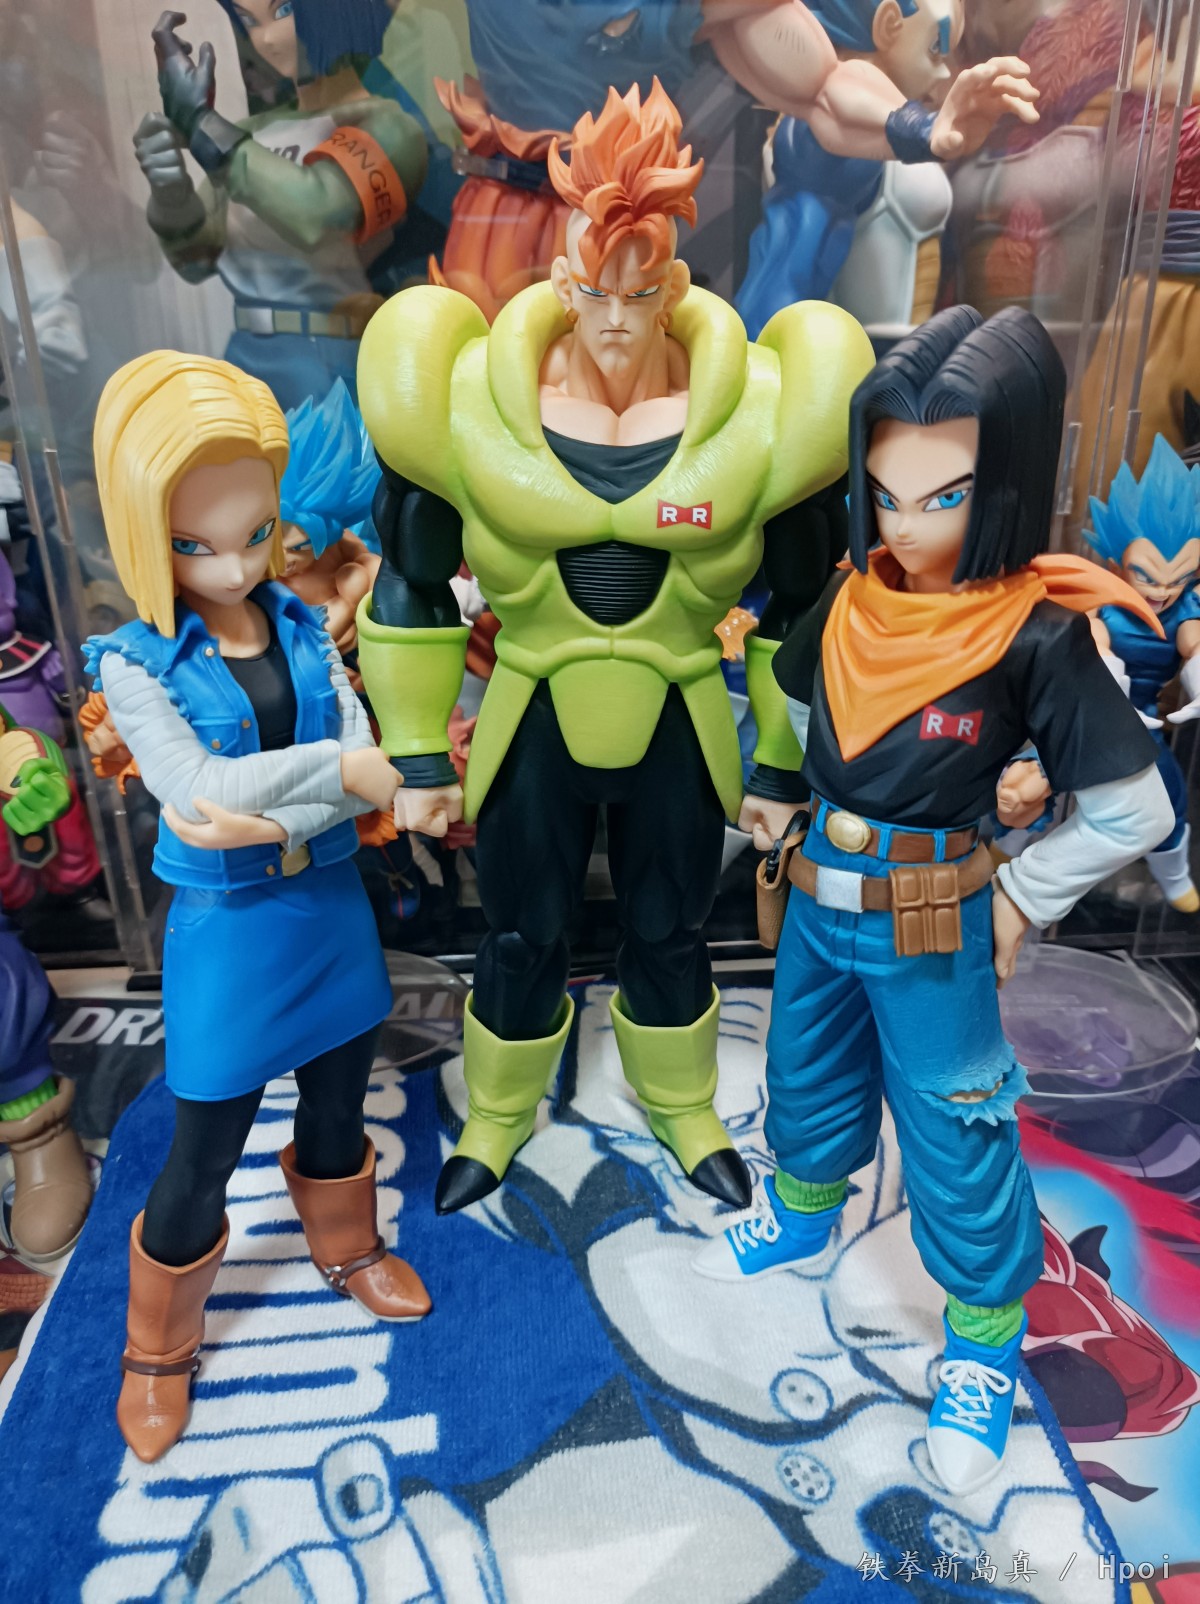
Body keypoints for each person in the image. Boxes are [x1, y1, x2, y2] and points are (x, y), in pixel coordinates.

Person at [356, 79, 874, 1215]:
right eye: (596, 291)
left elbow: (800, 607)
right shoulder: (466, 399)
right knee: (519, 927)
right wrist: (418, 752)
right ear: (562, 280)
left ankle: (682, 1104)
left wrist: (781, 764)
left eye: (642, 293)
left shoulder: (765, 410)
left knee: (672, 925)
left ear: (674, 284)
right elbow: (411, 579)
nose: (618, 320)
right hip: (531, 704)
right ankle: (497, 1116)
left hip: (682, 704)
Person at [693, 306, 1174, 1494]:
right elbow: (793, 703)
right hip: (817, 898)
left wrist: (1019, 892)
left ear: (1002, 483)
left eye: (942, 496)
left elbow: (1136, 809)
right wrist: (771, 788)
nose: (905, 525)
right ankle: (802, 1207)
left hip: (933, 916)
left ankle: (982, 1342)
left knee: (957, 1130)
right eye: (885, 494)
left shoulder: (1035, 636)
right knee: (803, 1069)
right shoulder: (852, 599)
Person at [86, 351, 430, 1464]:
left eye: (254, 533)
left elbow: (351, 762)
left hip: (328, 909)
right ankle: (158, 1344)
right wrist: (336, 775)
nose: (233, 565)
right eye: (194, 543)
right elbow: (197, 793)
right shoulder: (133, 663)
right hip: (230, 934)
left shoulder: (299, 621)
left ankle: (348, 1248)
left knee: (338, 1101)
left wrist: (295, 804)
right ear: (144, 530)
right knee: (204, 1144)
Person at [133, 3, 428, 408]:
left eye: (284, 9)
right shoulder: (250, 133)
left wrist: (203, 125)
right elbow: (196, 260)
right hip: (243, 353)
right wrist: (171, 193)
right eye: (249, 21)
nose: (266, 38)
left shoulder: (387, 125)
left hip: (328, 353)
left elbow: (318, 215)